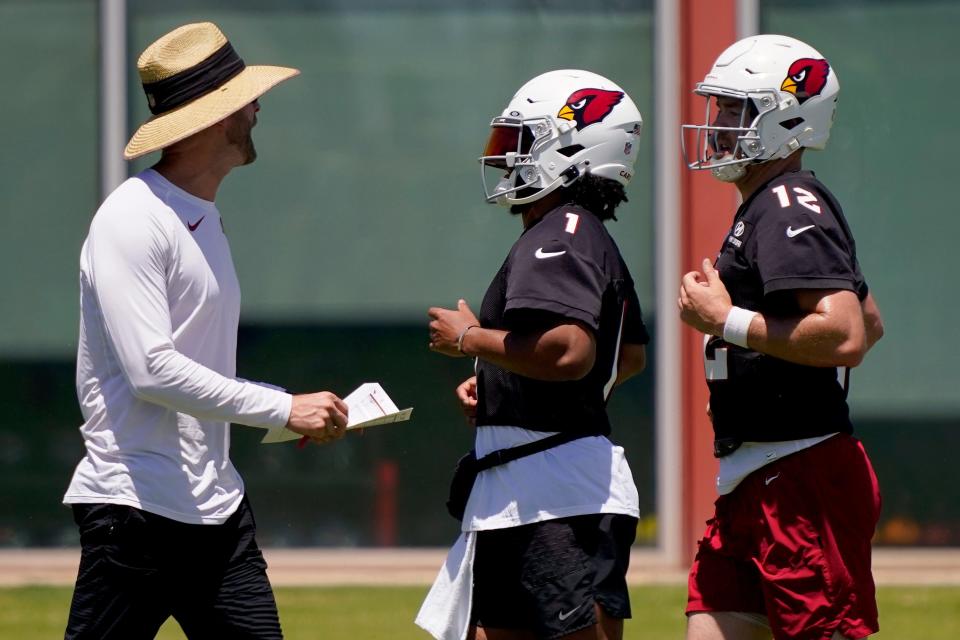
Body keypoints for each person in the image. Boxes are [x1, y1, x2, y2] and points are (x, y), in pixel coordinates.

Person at [63, 22, 349, 639]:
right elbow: (152, 370)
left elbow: (196, 369)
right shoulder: (132, 219)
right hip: (135, 511)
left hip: (215, 509)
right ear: (212, 117)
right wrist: (282, 408)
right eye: (244, 99)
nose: (256, 108)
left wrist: (285, 412)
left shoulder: (203, 220)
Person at [417, 69, 649, 640]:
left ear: (570, 150)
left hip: (551, 497)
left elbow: (569, 350)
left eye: (521, 143)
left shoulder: (560, 230)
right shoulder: (583, 230)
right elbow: (629, 356)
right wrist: (507, 382)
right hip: (539, 487)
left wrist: (470, 341)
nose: (507, 159)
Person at [677, 35, 885, 640]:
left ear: (787, 117)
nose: (718, 126)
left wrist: (727, 322)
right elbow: (869, 322)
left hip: (799, 474)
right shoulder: (774, 204)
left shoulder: (787, 203)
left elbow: (846, 335)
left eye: (735, 110)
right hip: (757, 471)